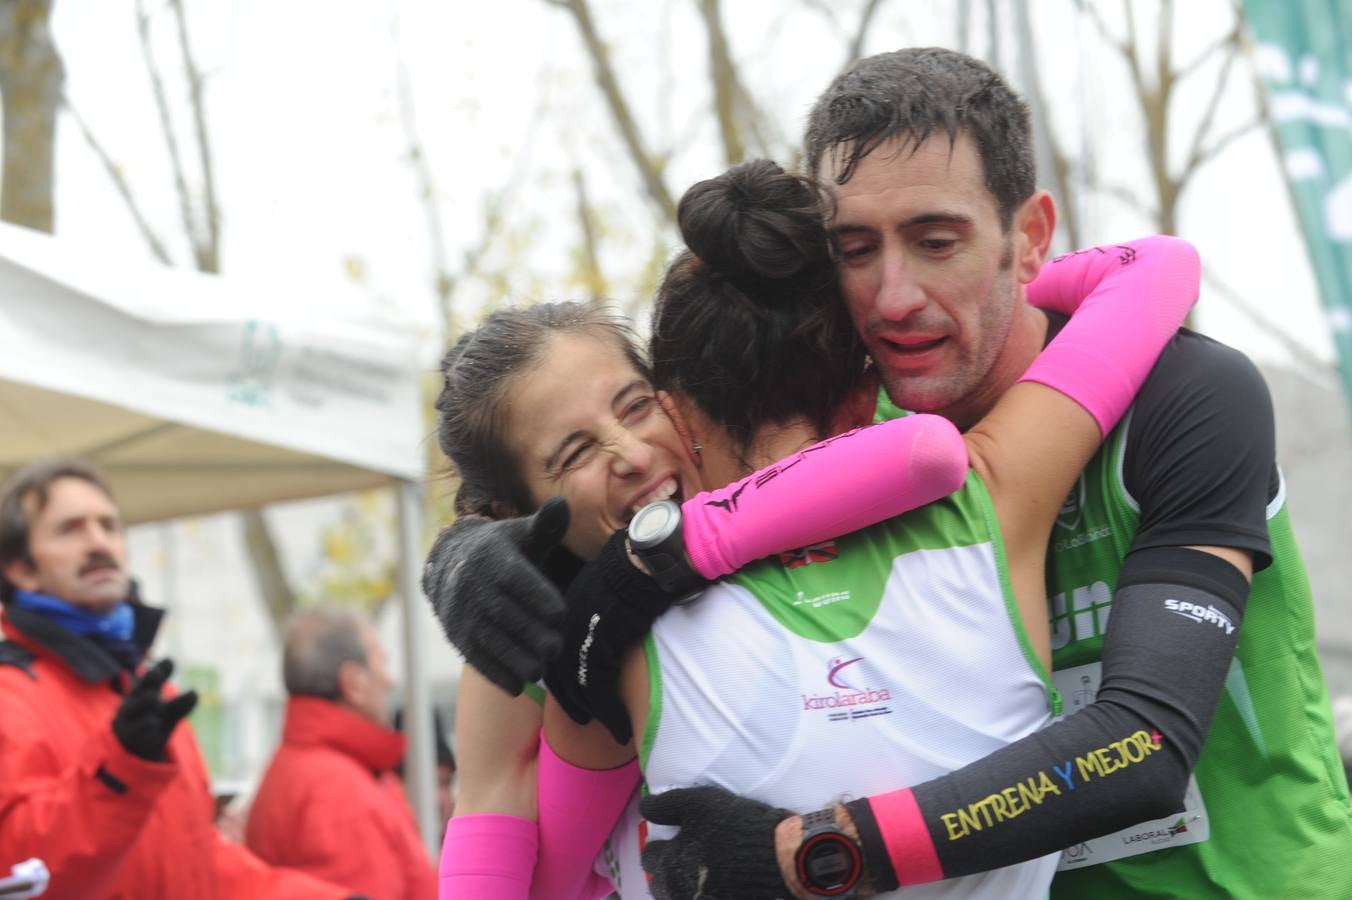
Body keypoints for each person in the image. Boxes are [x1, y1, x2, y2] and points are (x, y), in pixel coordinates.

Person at [636, 48, 1352, 899]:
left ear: (1032, 238)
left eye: (937, 242)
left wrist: (817, 852)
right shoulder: (863, 444)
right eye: (855, 249)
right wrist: (500, 561)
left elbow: (1146, 746)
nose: (893, 296)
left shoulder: (1185, 391)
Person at [429, 166, 1200, 898]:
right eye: (574, 453)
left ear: (675, 402)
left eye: (634, 406)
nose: (631, 455)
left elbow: (916, 452)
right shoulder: (571, 633)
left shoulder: (619, 621)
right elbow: (1154, 268)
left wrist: (683, 543)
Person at [0, 459, 349, 900]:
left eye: (109, 526)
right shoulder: (9, 696)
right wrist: (121, 768)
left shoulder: (147, 692)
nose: (98, 542)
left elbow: (199, 862)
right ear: (20, 569)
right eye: (70, 529)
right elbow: (23, 873)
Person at [246, 606, 437, 899]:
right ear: (353, 682)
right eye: (381, 663)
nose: (390, 680)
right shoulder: (337, 789)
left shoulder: (309, 767)